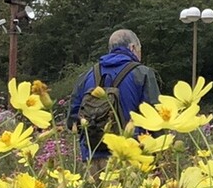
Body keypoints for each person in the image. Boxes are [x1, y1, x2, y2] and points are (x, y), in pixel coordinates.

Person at [67, 29, 161, 161]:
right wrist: (158, 152)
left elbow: (72, 120)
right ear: (133, 47)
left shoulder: (87, 75)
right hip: (131, 155)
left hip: (94, 155)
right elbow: (154, 115)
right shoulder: (143, 73)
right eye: (140, 49)